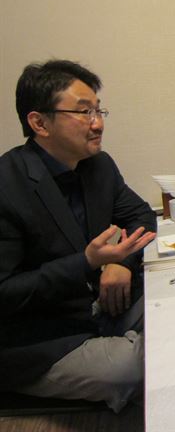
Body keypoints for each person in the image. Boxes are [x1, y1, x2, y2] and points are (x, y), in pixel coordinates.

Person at [0, 60, 157, 411]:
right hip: (41, 336)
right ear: (39, 122)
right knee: (131, 369)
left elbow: (141, 215)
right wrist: (87, 262)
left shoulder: (97, 165)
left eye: (99, 111)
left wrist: (124, 264)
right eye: (84, 112)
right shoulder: (7, 184)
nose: (98, 124)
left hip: (103, 304)